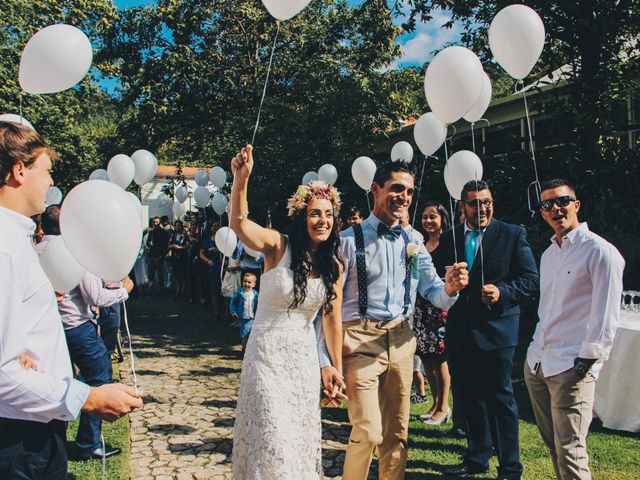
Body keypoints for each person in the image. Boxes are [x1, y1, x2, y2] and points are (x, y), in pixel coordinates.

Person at [0, 121, 142, 478]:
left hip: (34, 425)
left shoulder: (17, 239)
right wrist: (88, 398)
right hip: (18, 437)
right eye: (46, 171)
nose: (50, 183)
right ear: (19, 170)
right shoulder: (5, 248)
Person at [319, 161, 469, 480]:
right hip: (359, 343)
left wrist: (451, 288)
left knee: (397, 434)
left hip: (402, 342)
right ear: (376, 190)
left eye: (410, 191)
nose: (404, 196)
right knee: (369, 431)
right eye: (396, 188)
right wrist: (325, 359)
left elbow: (433, 292)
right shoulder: (346, 240)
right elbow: (327, 307)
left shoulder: (413, 240)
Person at [230, 145, 346, 479]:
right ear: (301, 217)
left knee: (296, 440)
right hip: (265, 357)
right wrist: (242, 179)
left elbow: (332, 320)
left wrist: (333, 369)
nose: (321, 220)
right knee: (271, 439)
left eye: (327, 214)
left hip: (302, 362)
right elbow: (239, 223)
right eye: (314, 213)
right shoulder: (278, 246)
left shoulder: (333, 265)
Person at [435, 180, 539, 480]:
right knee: (468, 398)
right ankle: (476, 458)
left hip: (497, 332)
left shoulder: (512, 234)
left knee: (500, 400)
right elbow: (437, 280)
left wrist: (503, 291)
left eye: (487, 201)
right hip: (460, 331)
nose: (482, 208)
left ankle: (509, 468)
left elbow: (532, 280)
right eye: (475, 203)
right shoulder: (451, 237)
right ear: (462, 207)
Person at [524, 179, 624, 480]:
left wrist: (587, 361)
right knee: (554, 445)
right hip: (539, 362)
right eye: (547, 205)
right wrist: (532, 359)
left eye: (562, 201)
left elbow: (607, 314)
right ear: (542, 213)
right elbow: (548, 311)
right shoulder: (548, 255)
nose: (556, 209)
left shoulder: (600, 252)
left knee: (571, 451)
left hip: (572, 366)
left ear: (576, 205)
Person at [35, 205, 134, 460]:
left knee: (57, 381)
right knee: (99, 379)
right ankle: (88, 444)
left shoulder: (33, 251)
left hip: (48, 330)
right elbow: (95, 295)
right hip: (79, 328)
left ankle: (54, 440)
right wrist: (125, 290)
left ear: (42, 226)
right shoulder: (74, 251)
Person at [413, 202, 453, 426]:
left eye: (433, 217)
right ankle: (434, 403)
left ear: (442, 219)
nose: (428, 221)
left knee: (440, 358)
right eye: (425, 217)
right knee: (426, 356)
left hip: (440, 308)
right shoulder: (419, 244)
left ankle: (444, 405)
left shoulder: (448, 244)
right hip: (420, 308)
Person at [199, 221, 225, 323]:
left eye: (218, 226)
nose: (216, 228)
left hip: (222, 266)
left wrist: (219, 250)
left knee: (223, 290)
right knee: (213, 290)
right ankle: (215, 312)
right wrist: (207, 260)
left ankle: (225, 313)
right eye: (214, 226)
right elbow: (201, 253)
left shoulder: (223, 239)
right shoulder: (207, 239)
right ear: (211, 228)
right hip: (211, 267)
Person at [230, 272, 259, 351]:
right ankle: (244, 348)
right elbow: (233, 302)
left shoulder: (255, 294)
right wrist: (233, 311)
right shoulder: (239, 293)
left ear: (254, 284)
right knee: (245, 334)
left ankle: (250, 348)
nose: (246, 284)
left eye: (249, 282)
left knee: (252, 334)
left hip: (252, 317)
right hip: (243, 317)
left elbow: (258, 304)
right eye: (245, 281)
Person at [146, 216, 170, 292]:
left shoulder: (164, 232)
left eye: (156, 222)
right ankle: (151, 290)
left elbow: (166, 246)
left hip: (159, 256)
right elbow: (147, 243)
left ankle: (161, 290)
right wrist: (149, 244)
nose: (155, 223)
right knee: (150, 274)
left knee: (160, 274)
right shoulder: (151, 232)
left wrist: (162, 256)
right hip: (151, 256)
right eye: (154, 222)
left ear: (159, 222)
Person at [169, 219, 191, 299]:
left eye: (179, 225)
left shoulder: (184, 234)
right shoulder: (173, 234)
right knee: (177, 276)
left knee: (183, 276)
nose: (177, 227)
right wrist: (172, 246)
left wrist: (180, 247)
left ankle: (183, 293)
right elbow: (169, 244)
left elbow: (188, 245)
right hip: (175, 257)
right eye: (176, 225)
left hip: (183, 257)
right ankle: (177, 292)